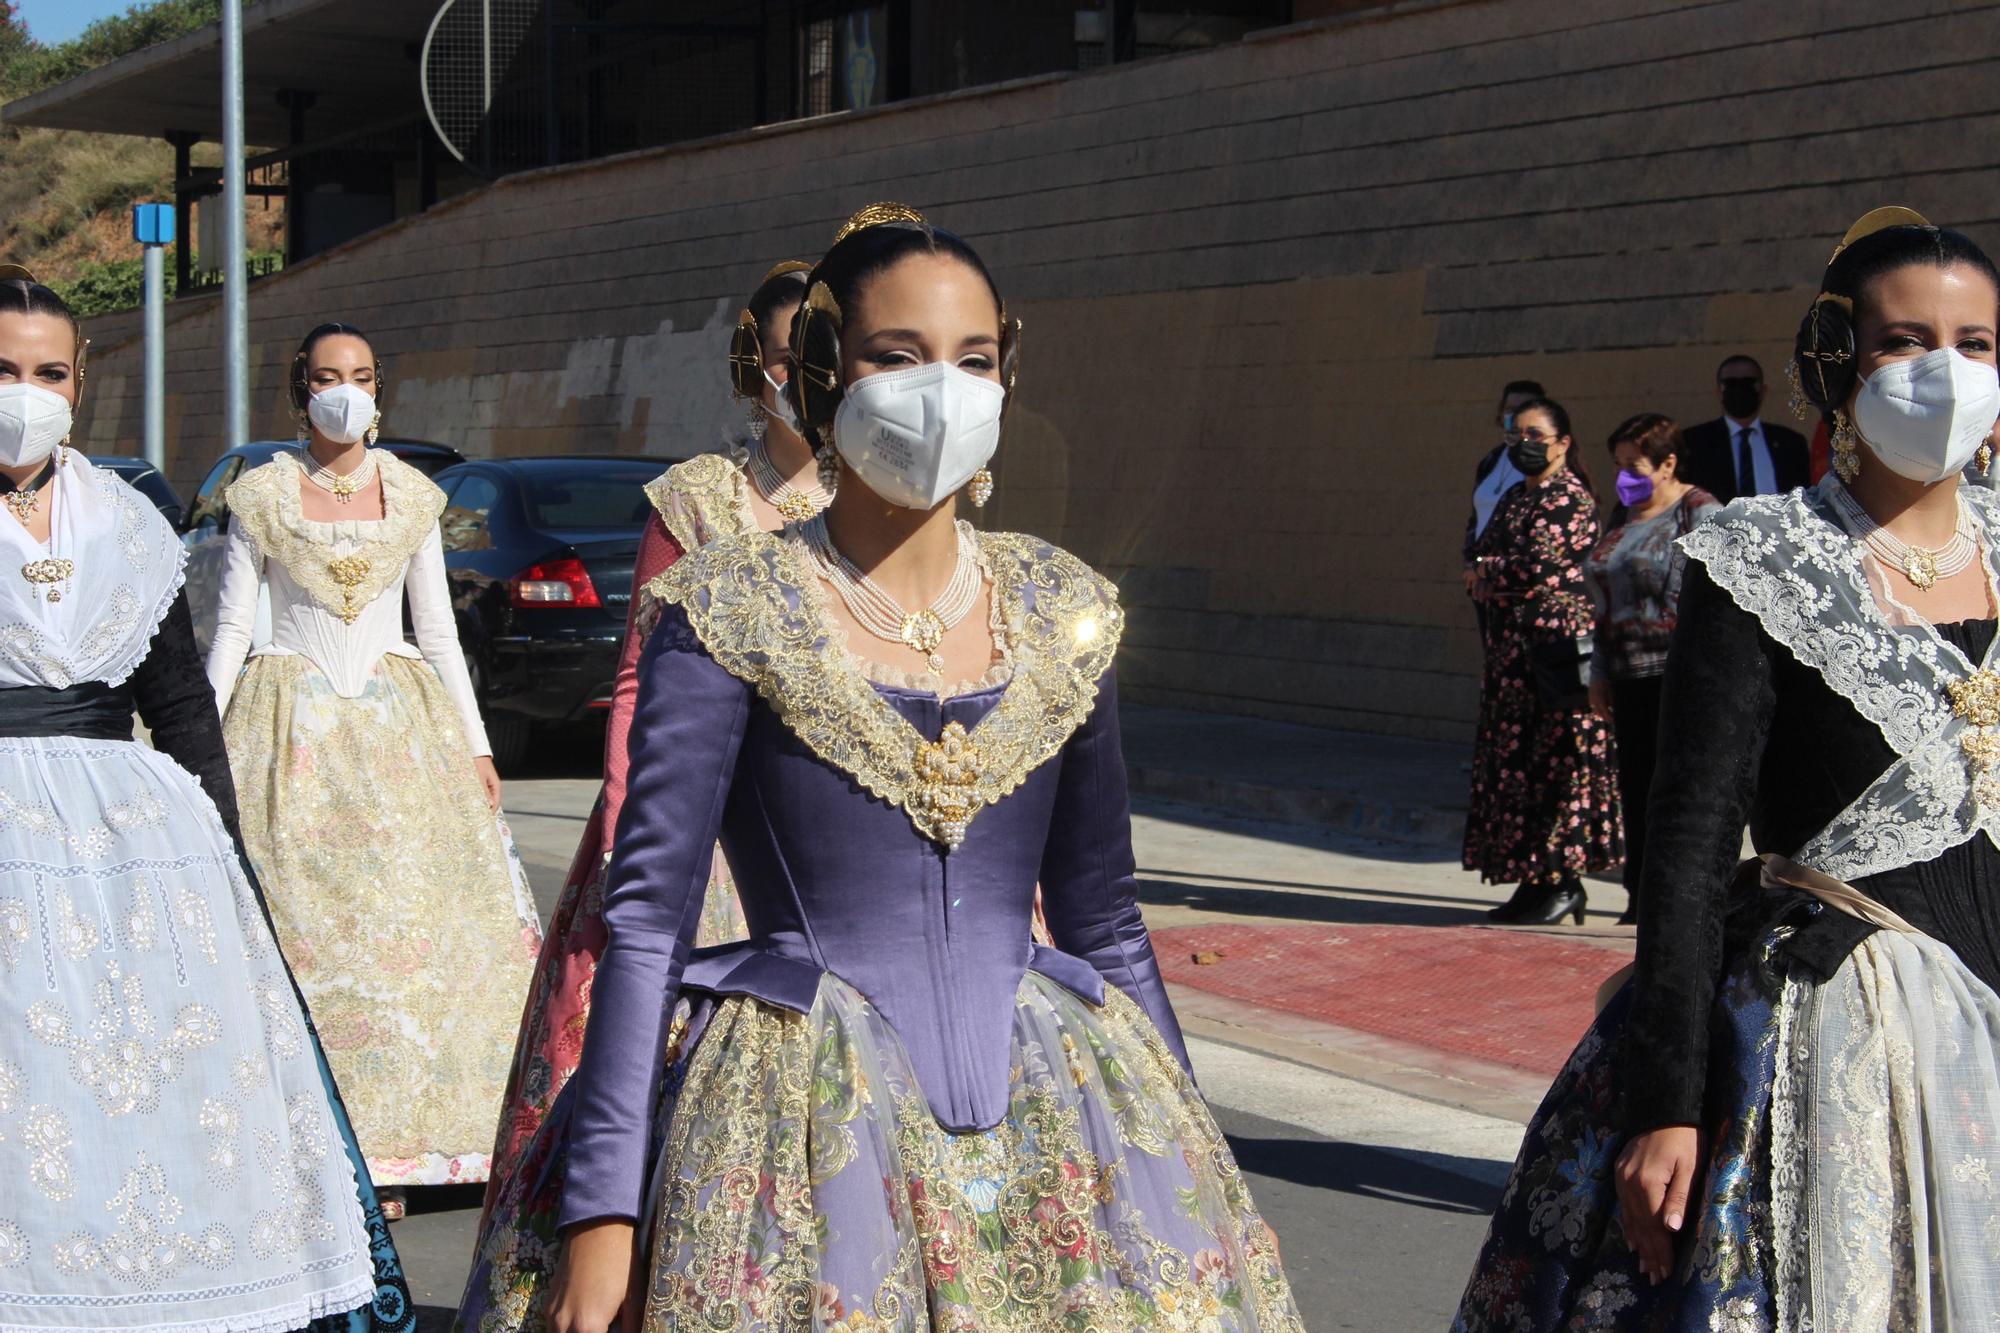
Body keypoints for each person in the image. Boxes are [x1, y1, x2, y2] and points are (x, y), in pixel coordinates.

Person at [459, 204, 1301, 1332]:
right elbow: (649, 922)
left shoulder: (1063, 609)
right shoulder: (728, 607)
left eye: (974, 360)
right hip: (792, 1120)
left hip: (1061, 1102)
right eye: (895, 358)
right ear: (820, 374)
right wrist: (602, 1215)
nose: (940, 391)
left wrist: (1202, 1168)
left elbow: (1104, 921)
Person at [1454, 207, 2000, 1330]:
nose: (1941, 373)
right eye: (1902, 341)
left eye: (1973, 343)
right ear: (1835, 360)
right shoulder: (1760, 554)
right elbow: (1692, 834)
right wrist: (1668, 1101)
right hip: (1846, 1032)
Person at [0, 270, 410, 1330]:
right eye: (3, 370)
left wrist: (237, 873)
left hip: (136, 861)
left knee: (146, 1108)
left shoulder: (125, 517)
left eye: (48, 372)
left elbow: (180, 705)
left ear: (81, 383)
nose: (25, 394)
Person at [472, 262, 824, 1233]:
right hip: (691, 819)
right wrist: (637, 826)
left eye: (826, 357)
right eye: (794, 358)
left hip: (824, 831)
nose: (809, 379)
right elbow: (637, 674)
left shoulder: (879, 505)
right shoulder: (698, 499)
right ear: (754, 365)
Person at [207, 323, 542, 1217]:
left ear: (379, 390)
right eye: (325, 377)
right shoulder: (263, 494)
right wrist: (196, 748)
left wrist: (475, 743)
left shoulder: (416, 498)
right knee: (311, 929)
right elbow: (235, 627)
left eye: (357, 377)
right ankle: (327, 1145)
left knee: (415, 923)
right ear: (298, 391)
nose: (341, 394)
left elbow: (436, 632)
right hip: (290, 724)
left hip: (402, 726)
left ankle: (421, 1141)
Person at [1464, 397, 1623, 925]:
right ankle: (1533, 881)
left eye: (1536, 435)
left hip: (1554, 656)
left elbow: (1542, 570)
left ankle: (1563, 880)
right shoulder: (1514, 495)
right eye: (1516, 436)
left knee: (1558, 766)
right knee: (1519, 769)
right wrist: (1490, 568)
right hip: (1512, 656)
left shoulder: (1569, 499)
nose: (1524, 446)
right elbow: (1483, 551)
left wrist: (1491, 572)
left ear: (1562, 443)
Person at [1584, 414, 1720, 925]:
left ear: (1667, 464)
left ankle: (1677, 899)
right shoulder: (1625, 514)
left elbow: (1719, 597)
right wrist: (1598, 671)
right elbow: (1604, 601)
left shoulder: (1698, 511)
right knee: (1636, 786)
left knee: (1677, 789)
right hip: (1626, 673)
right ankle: (1639, 896)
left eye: (1634, 466)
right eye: (1618, 466)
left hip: (1678, 673)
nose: (1624, 477)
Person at [1463, 378, 1547, 618]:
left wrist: (1490, 573)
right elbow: (1476, 520)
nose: (1515, 417)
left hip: (1517, 586)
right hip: (1480, 582)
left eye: (1524, 409)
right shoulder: (1492, 460)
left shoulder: (1539, 464)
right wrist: (1472, 565)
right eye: (1510, 410)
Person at [1678, 353, 1811, 503]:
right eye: (1731, 384)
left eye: (1748, 383)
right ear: (1719, 392)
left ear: (1762, 391)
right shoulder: (1694, 442)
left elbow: (1804, 498)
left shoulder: (1791, 443)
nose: (1740, 390)